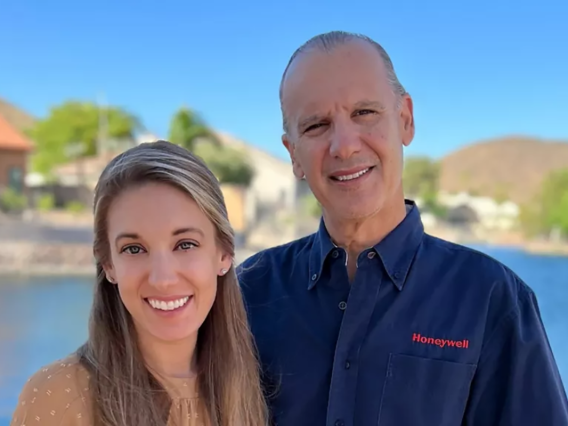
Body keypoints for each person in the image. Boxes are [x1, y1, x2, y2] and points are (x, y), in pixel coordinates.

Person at [237, 31, 568, 426]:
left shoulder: (494, 299)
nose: (344, 145)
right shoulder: (247, 294)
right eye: (316, 125)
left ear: (406, 120)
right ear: (293, 155)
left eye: (364, 113)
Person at [11, 141, 268, 426]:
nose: (163, 278)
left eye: (185, 244)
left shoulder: (257, 384)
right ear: (108, 264)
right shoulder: (56, 398)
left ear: (224, 253)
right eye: (134, 249)